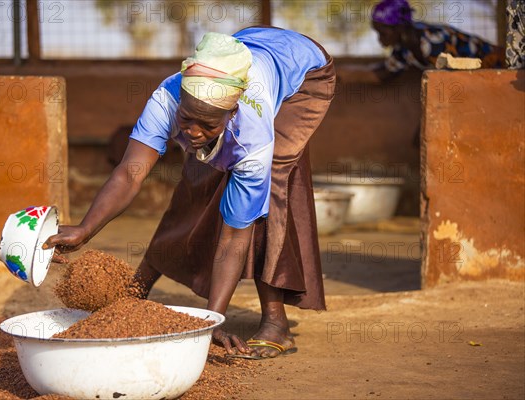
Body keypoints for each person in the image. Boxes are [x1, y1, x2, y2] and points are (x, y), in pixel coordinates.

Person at [43, 26, 336, 359]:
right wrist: (85, 228)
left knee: (270, 187)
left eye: (208, 125)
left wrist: (209, 323)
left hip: (306, 72)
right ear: (180, 102)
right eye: (186, 119)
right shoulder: (167, 98)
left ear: (232, 113)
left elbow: (233, 239)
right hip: (246, 48)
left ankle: (276, 324)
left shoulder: (252, 138)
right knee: (199, 176)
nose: (194, 133)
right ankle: (138, 286)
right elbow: (129, 173)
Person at [339, 0, 505, 83]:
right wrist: (336, 74)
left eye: (383, 32)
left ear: (400, 28)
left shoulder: (433, 43)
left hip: (501, 68)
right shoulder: (404, 50)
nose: (379, 39)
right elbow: (381, 73)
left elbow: (454, 83)